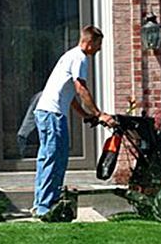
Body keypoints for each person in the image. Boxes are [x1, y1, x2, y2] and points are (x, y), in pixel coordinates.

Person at [32, 25, 116, 218]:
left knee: (49, 158)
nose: (99, 49)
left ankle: (42, 204)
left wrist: (86, 115)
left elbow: (69, 95)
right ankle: (45, 207)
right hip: (52, 114)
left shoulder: (69, 55)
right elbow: (80, 89)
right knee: (54, 159)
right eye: (98, 44)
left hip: (47, 112)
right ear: (89, 42)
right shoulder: (79, 58)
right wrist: (99, 113)